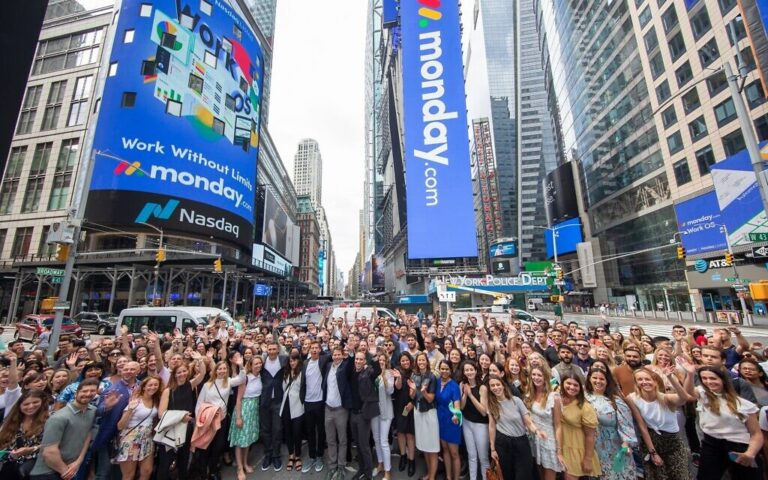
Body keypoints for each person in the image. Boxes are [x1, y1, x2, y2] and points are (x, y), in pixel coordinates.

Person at [695, 366, 764, 480]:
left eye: (713, 378)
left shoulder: (745, 405)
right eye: (704, 379)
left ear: (723, 381)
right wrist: (688, 374)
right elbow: (686, 395)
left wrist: (750, 453)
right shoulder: (704, 397)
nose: (708, 382)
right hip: (711, 444)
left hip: (739, 447)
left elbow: (756, 434)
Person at [29, 379, 100, 480]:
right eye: (84, 391)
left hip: (71, 468)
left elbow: (87, 435)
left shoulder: (92, 411)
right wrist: (65, 472)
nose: (88, 394)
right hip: (48, 472)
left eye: (92, 391)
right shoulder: (59, 417)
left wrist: (78, 462)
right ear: (76, 393)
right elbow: (49, 452)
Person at [629, 367, 692, 480]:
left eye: (647, 379)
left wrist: (670, 378)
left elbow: (683, 398)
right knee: (657, 476)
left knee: (680, 475)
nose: (644, 382)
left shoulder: (666, 398)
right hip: (651, 440)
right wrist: (653, 453)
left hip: (673, 441)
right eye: (640, 379)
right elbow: (642, 426)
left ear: (655, 381)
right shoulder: (633, 398)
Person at [193, 354, 245, 480]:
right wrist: (199, 421)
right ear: (215, 371)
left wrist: (241, 365)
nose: (222, 371)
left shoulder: (228, 383)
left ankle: (213, 470)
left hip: (221, 420)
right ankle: (204, 472)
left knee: (218, 446)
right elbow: (199, 404)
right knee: (206, 446)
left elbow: (241, 379)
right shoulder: (207, 385)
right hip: (207, 421)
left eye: (224, 369)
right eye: (220, 369)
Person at [156, 352, 206, 480]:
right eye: (179, 372)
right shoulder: (168, 391)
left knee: (183, 461)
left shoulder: (190, 384)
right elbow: (161, 413)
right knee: (165, 463)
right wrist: (180, 417)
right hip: (171, 430)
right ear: (174, 374)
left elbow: (203, 374)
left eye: (184, 371)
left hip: (186, 429)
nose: (182, 374)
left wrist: (200, 360)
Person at [585, 367, 637, 480]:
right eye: (594, 378)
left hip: (614, 446)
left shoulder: (615, 400)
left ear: (607, 381)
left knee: (617, 474)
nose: (598, 381)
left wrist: (626, 443)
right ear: (589, 379)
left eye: (602, 379)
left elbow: (626, 423)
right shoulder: (583, 398)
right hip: (591, 447)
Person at [487, 375, 543, 480]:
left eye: (498, 384)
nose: (496, 387)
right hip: (503, 443)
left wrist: (536, 430)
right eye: (492, 386)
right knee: (508, 475)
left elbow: (528, 421)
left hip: (521, 442)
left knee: (524, 474)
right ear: (490, 388)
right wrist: (492, 449)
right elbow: (491, 426)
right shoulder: (491, 404)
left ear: (503, 386)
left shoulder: (516, 401)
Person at [115, 375, 161, 480]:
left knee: (147, 471)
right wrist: (130, 409)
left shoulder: (156, 401)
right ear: (144, 387)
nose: (152, 387)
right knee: (129, 475)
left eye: (155, 385)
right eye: (150, 385)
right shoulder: (135, 401)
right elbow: (120, 426)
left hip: (147, 439)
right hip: (132, 440)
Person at [557, 372, 601, 480]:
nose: (572, 387)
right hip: (560, 446)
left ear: (580, 388)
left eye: (576, 385)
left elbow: (590, 435)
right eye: (568, 384)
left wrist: (587, 458)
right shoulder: (558, 400)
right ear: (562, 384)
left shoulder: (585, 407)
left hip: (576, 449)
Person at [0, 390, 49, 480]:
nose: (31, 406)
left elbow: (54, 445)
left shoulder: (50, 421)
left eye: (35, 402)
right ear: (19, 406)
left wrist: (32, 449)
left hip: (34, 469)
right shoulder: (10, 422)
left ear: (42, 402)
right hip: (9, 468)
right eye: (26, 404)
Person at [229, 356, 263, 480]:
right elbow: (238, 399)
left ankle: (245, 463)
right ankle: (239, 468)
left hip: (253, 411)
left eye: (260, 363)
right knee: (239, 440)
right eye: (256, 363)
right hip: (243, 410)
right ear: (250, 365)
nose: (258, 365)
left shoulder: (259, 376)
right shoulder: (245, 378)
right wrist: (238, 417)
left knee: (247, 440)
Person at [350, 350, 381, 480]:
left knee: (364, 446)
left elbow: (376, 372)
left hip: (363, 414)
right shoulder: (352, 372)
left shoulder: (368, 372)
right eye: (356, 359)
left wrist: (375, 359)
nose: (358, 361)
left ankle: (368, 475)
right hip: (353, 414)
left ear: (365, 361)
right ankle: (361, 470)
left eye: (361, 359)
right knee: (358, 445)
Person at [526, 365, 562, 480]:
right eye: (534, 375)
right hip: (535, 439)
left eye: (539, 375)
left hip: (549, 441)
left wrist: (559, 450)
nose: (536, 378)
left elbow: (558, 425)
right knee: (540, 475)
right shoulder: (529, 395)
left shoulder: (554, 397)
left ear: (545, 377)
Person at [322, 346, 352, 480]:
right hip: (328, 409)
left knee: (342, 440)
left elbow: (350, 363)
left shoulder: (344, 367)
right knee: (330, 440)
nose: (337, 357)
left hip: (341, 410)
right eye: (335, 355)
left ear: (343, 355)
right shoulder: (328, 366)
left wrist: (350, 352)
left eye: (339, 354)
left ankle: (341, 466)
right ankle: (332, 466)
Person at [410, 352, 439, 480]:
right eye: (419, 360)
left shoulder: (431, 377)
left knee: (432, 448)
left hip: (429, 413)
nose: (421, 362)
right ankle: (428, 474)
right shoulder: (413, 375)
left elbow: (430, 399)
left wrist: (424, 392)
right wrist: (412, 390)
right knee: (425, 446)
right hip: (418, 412)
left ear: (427, 362)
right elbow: (413, 396)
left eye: (423, 360)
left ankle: (432, 477)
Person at [260, 341, 288, 471]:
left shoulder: (283, 360)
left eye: (273, 349)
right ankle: (268, 454)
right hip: (265, 401)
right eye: (269, 349)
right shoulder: (262, 362)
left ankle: (276, 455)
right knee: (266, 430)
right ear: (267, 350)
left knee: (277, 429)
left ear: (278, 350)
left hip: (278, 400)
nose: (271, 351)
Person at [299, 341, 327, 473]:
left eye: (317, 348)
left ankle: (320, 455)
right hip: (308, 402)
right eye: (312, 348)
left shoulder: (323, 360)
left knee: (321, 430)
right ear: (309, 349)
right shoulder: (305, 363)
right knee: (310, 430)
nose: (314, 350)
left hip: (320, 401)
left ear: (320, 350)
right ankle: (311, 456)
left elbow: (334, 354)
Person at [460, 361, 489, 480]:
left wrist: (471, 395)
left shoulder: (482, 387)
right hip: (467, 423)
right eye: (466, 370)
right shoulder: (462, 384)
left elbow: (483, 411)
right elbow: (461, 407)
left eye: (471, 369)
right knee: (471, 455)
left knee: (483, 458)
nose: (469, 372)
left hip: (480, 425)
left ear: (476, 371)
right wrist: (465, 394)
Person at [436, 360, 461, 480]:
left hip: (451, 421)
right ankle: (448, 476)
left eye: (446, 369)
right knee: (445, 450)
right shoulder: (437, 382)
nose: (444, 371)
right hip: (440, 419)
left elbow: (457, 405)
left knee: (454, 453)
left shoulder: (454, 386)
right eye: (442, 368)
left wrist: (456, 415)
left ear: (450, 370)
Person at [371, 353, 395, 479]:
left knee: (384, 440)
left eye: (383, 360)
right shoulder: (374, 373)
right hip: (375, 411)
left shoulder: (389, 374)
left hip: (386, 411)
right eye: (379, 360)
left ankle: (387, 471)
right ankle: (380, 464)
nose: (381, 362)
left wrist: (384, 376)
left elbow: (390, 391)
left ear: (386, 361)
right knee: (376, 439)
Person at [280, 350, 304, 472]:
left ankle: (298, 455)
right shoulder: (286, 372)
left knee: (297, 432)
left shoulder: (301, 373)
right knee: (288, 431)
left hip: (298, 405)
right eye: (290, 361)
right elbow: (283, 388)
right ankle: (291, 455)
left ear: (298, 361)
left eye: (294, 360)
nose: (292, 362)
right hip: (286, 406)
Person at [393, 352, 417, 476]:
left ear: (410, 361)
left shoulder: (415, 372)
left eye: (407, 360)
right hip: (400, 407)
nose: (405, 363)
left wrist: (412, 403)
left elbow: (418, 392)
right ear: (400, 362)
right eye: (403, 361)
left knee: (410, 435)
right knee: (401, 433)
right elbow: (397, 388)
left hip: (411, 407)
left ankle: (411, 460)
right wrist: (398, 378)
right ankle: (403, 456)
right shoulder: (397, 372)